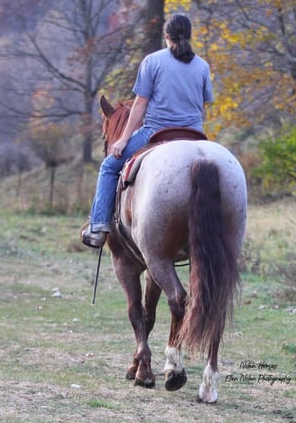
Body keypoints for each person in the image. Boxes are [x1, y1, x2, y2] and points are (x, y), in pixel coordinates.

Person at [81, 13, 214, 249]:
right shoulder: (202, 66)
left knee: (109, 166)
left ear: (166, 36)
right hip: (194, 133)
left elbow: (140, 104)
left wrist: (122, 140)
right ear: (190, 36)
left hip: (156, 131)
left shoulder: (152, 62)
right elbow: (204, 104)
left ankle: (99, 226)